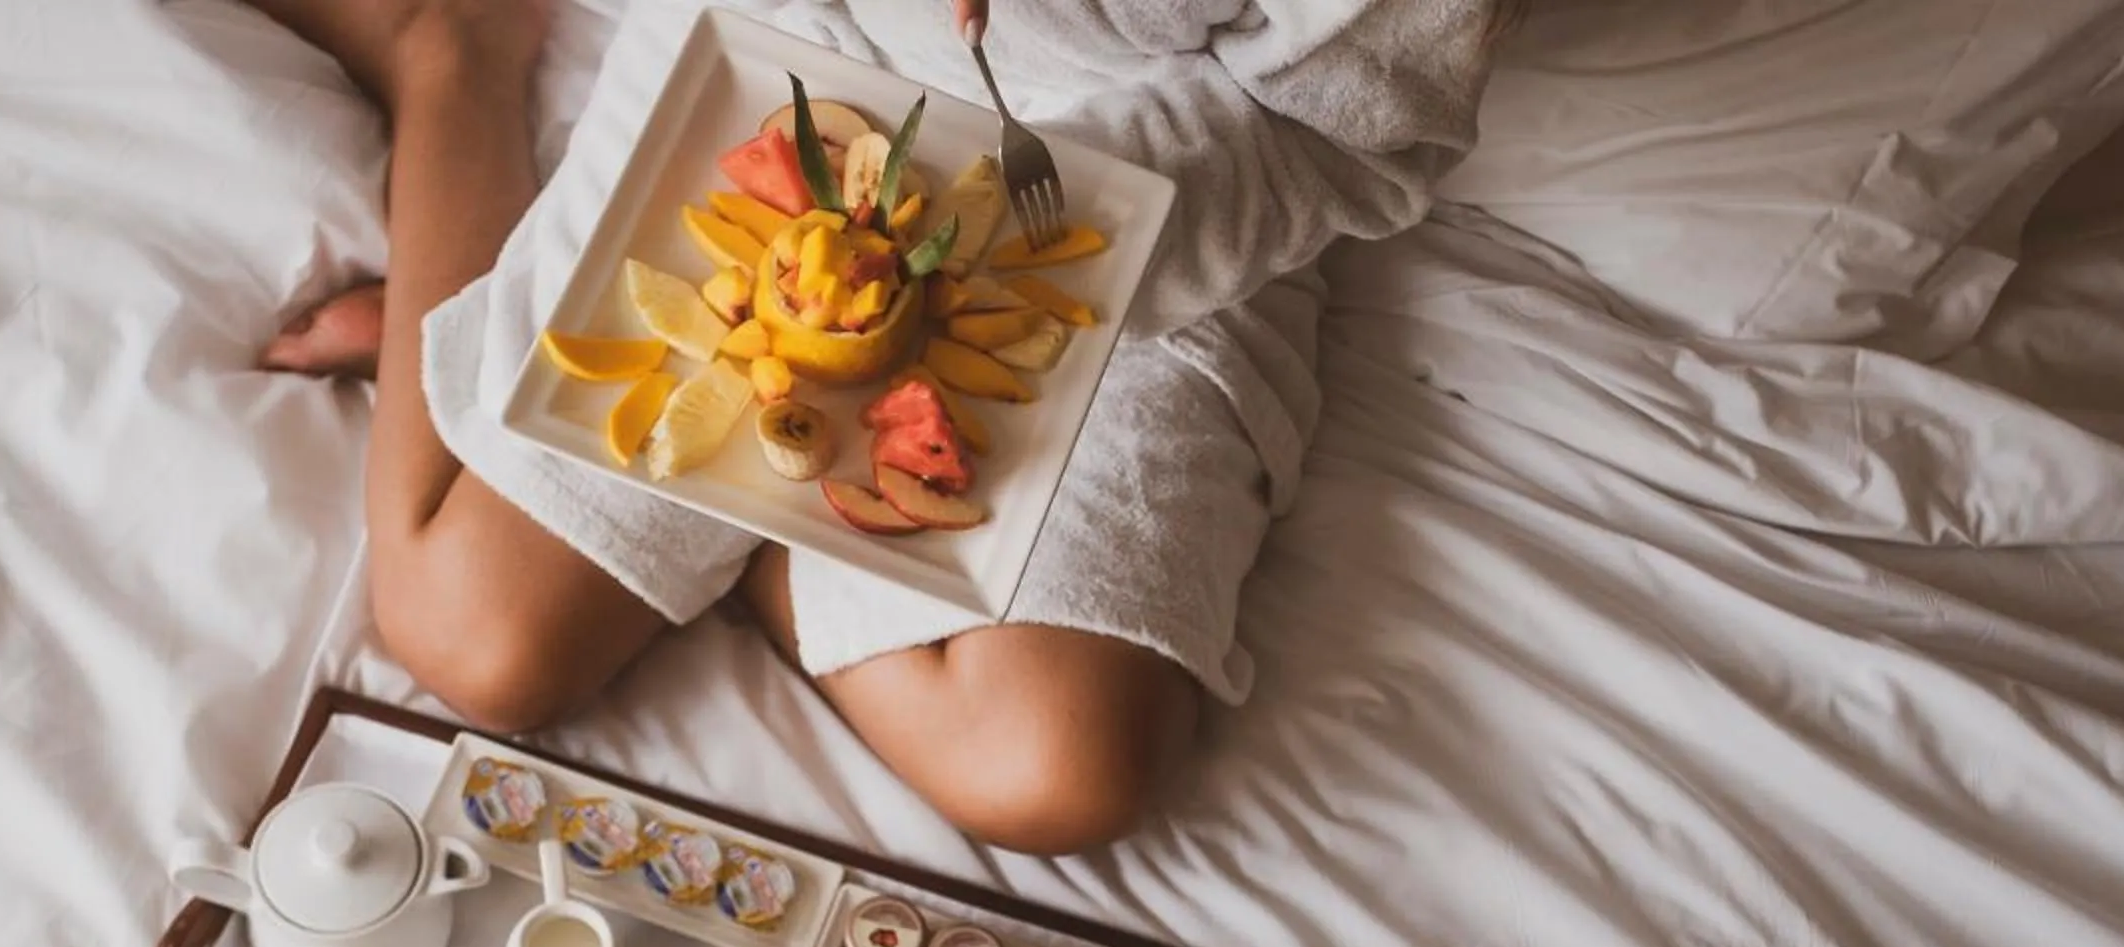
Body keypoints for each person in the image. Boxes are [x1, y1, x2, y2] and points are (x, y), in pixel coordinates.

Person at [250, 0, 1495, 853]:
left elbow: (1338, 123)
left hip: (1143, 203)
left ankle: (750, 495)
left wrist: (1010, 242)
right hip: (802, 51)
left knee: (1059, 766)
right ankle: (447, 50)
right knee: (476, 635)